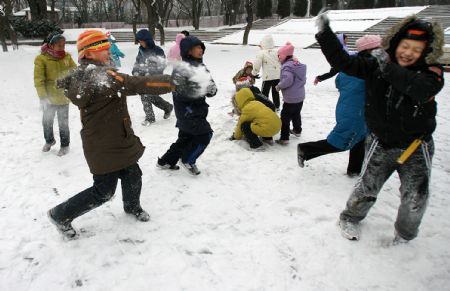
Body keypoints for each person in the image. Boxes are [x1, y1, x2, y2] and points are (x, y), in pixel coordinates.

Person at [315, 14, 445, 243]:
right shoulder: (375, 65)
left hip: (416, 146)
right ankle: (350, 217)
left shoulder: (430, 73)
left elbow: (417, 89)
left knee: (416, 197)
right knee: (367, 187)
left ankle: (405, 234)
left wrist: (385, 64)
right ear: (395, 44)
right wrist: (325, 34)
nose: (408, 53)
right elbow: (344, 63)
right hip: (381, 143)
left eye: (416, 49)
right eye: (405, 46)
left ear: (425, 52)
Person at [47, 30, 175, 239]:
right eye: (103, 50)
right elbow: (138, 83)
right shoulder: (103, 76)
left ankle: (132, 206)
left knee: (133, 174)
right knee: (103, 191)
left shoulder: (86, 74)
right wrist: (174, 82)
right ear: (89, 54)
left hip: (114, 138)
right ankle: (60, 214)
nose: (108, 53)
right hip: (104, 145)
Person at [298, 34, 382, 177]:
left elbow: (339, 81)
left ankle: (354, 169)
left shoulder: (355, 65)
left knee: (360, 139)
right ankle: (306, 149)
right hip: (355, 112)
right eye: (379, 49)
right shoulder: (368, 68)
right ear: (371, 51)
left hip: (354, 109)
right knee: (342, 141)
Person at [157, 36, 217, 175]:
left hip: (198, 110)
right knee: (204, 135)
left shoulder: (202, 67)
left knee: (185, 138)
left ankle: (166, 161)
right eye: (197, 47)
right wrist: (199, 89)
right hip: (187, 112)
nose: (201, 49)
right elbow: (180, 93)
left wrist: (211, 89)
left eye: (201, 47)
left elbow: (212, 89)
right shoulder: (181, 69)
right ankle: (187, 160)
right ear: (188, 51)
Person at [34, 31, 77, 156]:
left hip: (63, 97)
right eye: (59, 45)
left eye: (64, 45)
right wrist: (42, 97)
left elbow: (74, 71)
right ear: (51, 45)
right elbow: (39, 80)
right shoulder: (41, 59)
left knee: (63, 123)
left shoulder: (67, 57)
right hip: (49, 98)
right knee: (47, 121)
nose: (62, 48)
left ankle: (65, 145)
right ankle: (49, 140)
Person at [133, 29, 174, 125]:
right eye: (139, 41)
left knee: (148, 95)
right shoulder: (141, 51)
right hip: (143, 77)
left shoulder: (158, 50)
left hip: (154, 77)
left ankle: (153, 116)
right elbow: (137, 62)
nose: (141, 43)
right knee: (146, 95)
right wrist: (135, 71)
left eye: (142, 41)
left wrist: (152, 72)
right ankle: (164, 109)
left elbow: (162, 64)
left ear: (147, 40)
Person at [275, 42, 307, 145]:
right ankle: (297, 130)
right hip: (300, 96)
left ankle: (284, 138)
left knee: (285, 117)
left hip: (291, 98)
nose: (278, 58)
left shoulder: (287, 67)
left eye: (279, 55)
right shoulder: (296, 64)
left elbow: (288, 80)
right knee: (296, 113)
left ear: (284, 56)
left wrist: (279, 86)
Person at [252, 34, 282, 111]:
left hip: (267, 77)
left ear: (263, 43)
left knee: (264, 92)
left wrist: (254, 73)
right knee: (275, 91)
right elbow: (281, 61)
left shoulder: (261, 53)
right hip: (277, 76)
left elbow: (257, 64)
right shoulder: (277, 52)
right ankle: (277, 106)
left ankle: (263, 105)